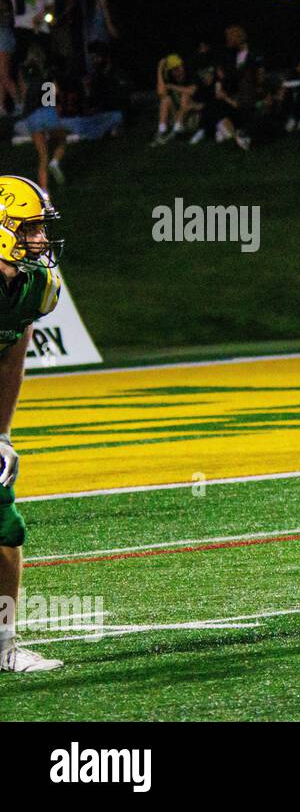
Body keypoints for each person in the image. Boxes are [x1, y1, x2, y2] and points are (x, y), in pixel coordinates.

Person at [0, 175, 64, 673]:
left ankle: (2, 647)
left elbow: (10, 354)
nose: (41, 238)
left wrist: (1, 434)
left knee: (5, 525)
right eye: (32, 228)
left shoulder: (34, 287)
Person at [152, 53, 197, 145]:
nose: (177, 72)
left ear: (182, 66)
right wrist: (160, 69)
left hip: (192, 117)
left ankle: (176, 132)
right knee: (165, 100)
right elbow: (161, 93)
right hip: (176, 116)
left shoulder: (191, 75)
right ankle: (162, 131)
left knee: (185, 94)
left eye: (178, 68)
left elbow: (192, 91)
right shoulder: (171, 77)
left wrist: (172, 86)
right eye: (173, 70)